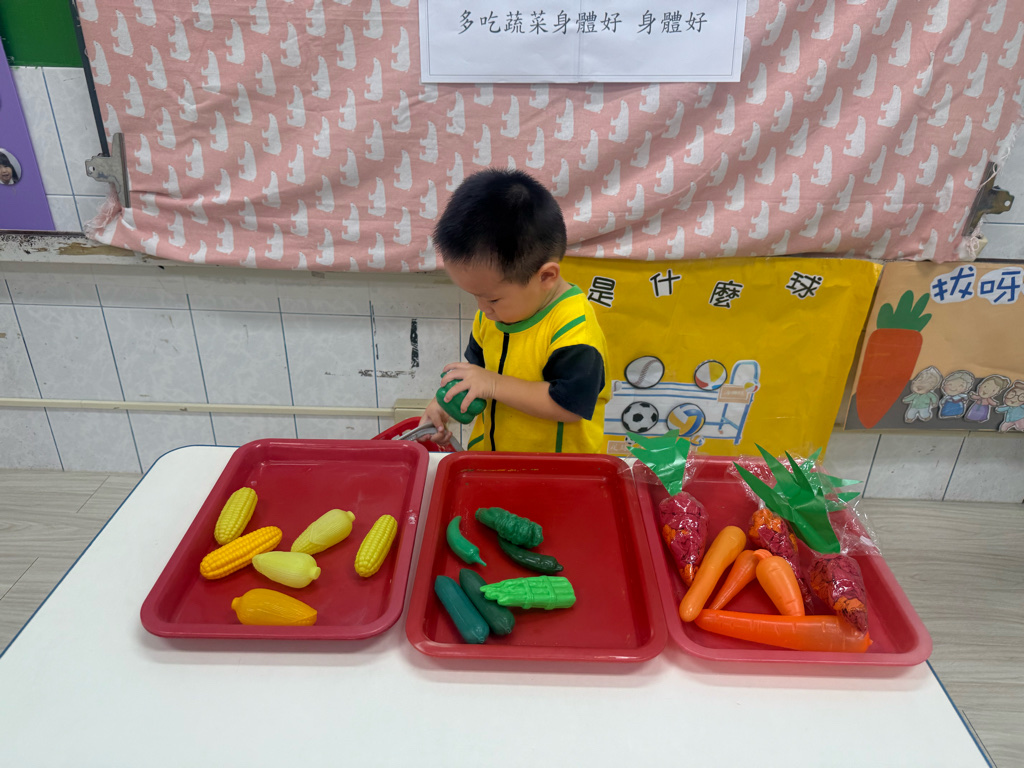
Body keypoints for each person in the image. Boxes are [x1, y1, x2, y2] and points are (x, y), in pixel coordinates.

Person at [418, 168, 610, 453]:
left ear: (546, 277)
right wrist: (443, 405)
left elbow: (569, 405)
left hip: (557, 469)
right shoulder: (490, 314)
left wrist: (493, 385)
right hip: (495, 459)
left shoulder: (574, 328)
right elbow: (477, 374)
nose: (483, 309)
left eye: (493, 299)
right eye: (475, 297)